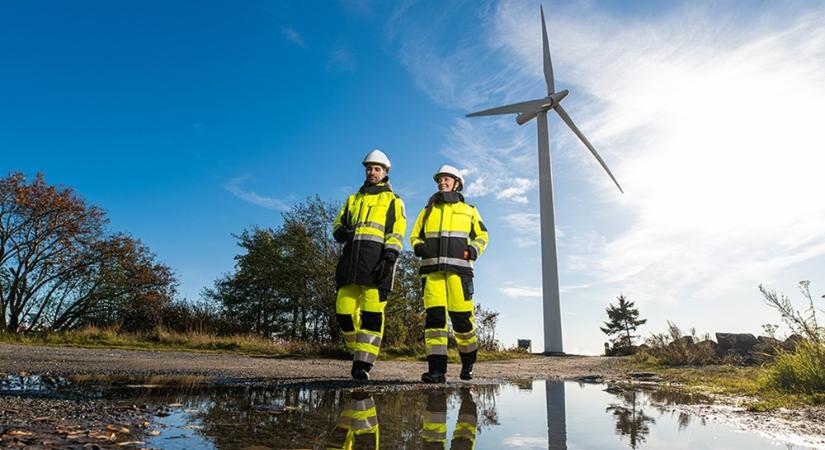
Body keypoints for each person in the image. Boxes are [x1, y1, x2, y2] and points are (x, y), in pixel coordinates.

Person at [410, 165, 489, 383]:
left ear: (457, 183)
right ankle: (437, 371)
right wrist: (418, 247)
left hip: (460, 273)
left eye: (446, 179)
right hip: (432, 273)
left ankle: (468, 362)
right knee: (435, 322)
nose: (442, 182)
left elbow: (483, 235)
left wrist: (473, 250)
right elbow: (415, 236)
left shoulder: (470, 210)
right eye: (440, 179)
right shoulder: (427, 210)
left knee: (462, 321)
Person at [333, 149, 406, 380]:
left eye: (376, 169)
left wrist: (390, 258)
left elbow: (396, 232)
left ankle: (362, 365)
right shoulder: (353, 199)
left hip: (377, 264)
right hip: (351, 263)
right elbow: (338, 223)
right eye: (369, 168)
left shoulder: (393, 200)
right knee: (343, 312)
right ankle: (357, 351)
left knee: (372, 316)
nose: (371, 172)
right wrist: (341, 231)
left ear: (384, 173)